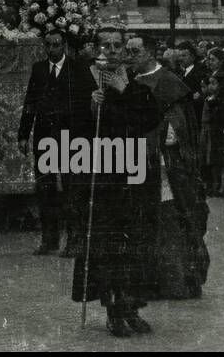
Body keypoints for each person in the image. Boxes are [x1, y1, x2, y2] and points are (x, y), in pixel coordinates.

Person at [72, 27, 167, 338]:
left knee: (137, 240)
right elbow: (70, 126)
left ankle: (132, 306)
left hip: (136, 173)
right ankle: (113, 309)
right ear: (95, 48)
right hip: (104, 174)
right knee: (110, 242)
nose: (112, 50)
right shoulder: (85, 78)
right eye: (106, 45)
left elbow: (149, 118)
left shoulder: (135, 80)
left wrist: (125, 90)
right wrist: (90, 106)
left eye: (117, 45)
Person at [126, 34, 209, 301]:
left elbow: (178, 129)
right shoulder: (127, 80)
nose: (130, 55)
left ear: (150, 52)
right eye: (128, 51)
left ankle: (177, 281)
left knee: (170, 220)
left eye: (135, 51)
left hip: (165, 166)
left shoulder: (168, 82)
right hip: (133, 162)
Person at [19, 29, 94, 256]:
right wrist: (23, 134)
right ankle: (49, 240)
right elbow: (30, 102)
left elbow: (89, 100)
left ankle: (75, 240)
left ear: (64, 46)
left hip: (72, 138)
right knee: (45, 189)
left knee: (73, 189)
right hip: (44, 137)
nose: (52, 49)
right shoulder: (39, 69)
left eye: (56, 45)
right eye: (48, 45)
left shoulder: (78, 68)